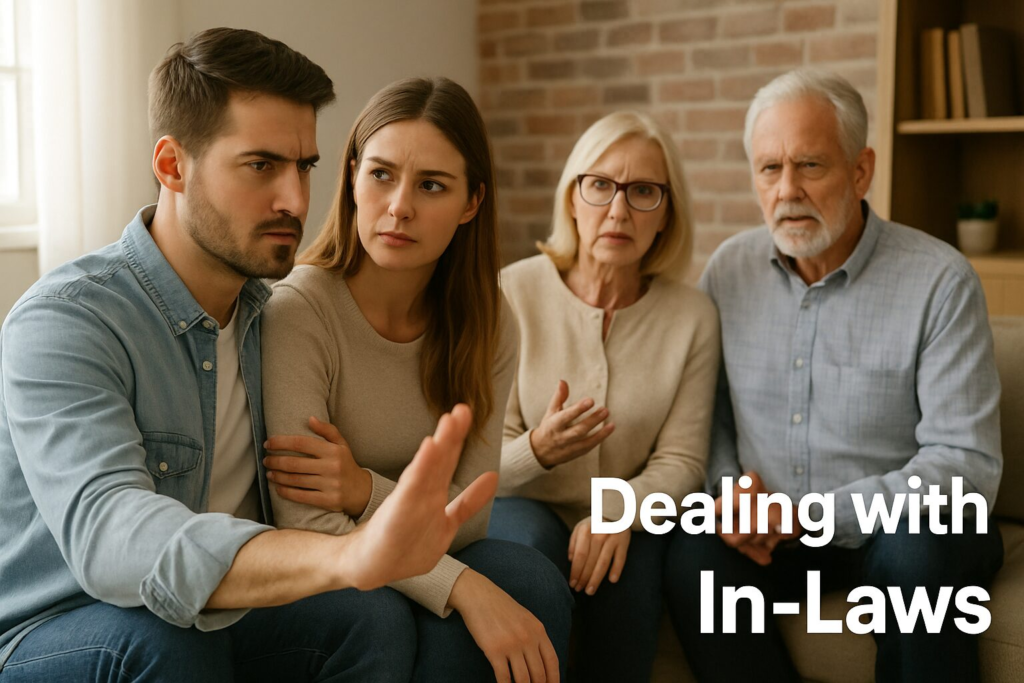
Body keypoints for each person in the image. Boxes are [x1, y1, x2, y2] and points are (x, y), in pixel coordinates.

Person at [0, 29, 498, 682]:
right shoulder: (67, 318)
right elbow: (112, 539)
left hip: (220, 613)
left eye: (305, 167)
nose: (295, 199)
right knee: (165, 638)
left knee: (366, 615)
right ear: (173, 165)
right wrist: (342, 557)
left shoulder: (278, 318)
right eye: (261, 166)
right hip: (60, 626)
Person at [664, 69, 1004, 682]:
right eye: (769, 169)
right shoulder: (728, 271)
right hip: (773, 538)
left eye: (810, 166)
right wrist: (728, 497)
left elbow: (966, 466)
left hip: (895, 536)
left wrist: (813, 514)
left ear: (860, 169)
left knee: (919, 546)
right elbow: (707, 414)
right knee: (691, 555)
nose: (787, 190)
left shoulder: (940, 281)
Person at [259, 76, 572, 683]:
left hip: (411, 546)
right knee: (383, 610)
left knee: (532, 579)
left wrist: (359, 491)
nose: (400, 205)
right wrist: (465, 589)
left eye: (431, 185)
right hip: (321, 568)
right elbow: (306, 524)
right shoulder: (299, 310)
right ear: (351, 177)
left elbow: (471, 515)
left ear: (471, 203)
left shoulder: (488, 320)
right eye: (380, 174)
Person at [485, 111, 721, 682]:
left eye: (644, 191)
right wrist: (538, 449)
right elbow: (479, 457)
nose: (618, 210)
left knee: (628, 582)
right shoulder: (511, 290)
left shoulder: (693, 316)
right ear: (572, 198)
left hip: (633, 511)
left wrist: (620, 508)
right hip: (524, 500)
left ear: (667, 214)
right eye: (600, 186)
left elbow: (683, 462)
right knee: (532, 560)